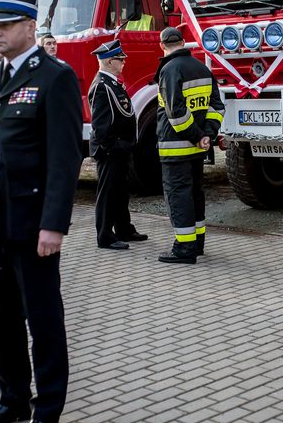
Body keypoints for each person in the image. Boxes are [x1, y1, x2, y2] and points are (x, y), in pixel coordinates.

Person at [0, 0, 83, 423]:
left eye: (4, 25)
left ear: (29, 27)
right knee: (0, 320)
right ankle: (13, 398)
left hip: (33, 224)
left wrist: (53, 224)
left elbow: (65, 157)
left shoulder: (55, 76)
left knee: (43, 322)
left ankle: (47, 412)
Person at [154, 26, 224, 264]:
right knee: (195, 194)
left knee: (178, 196)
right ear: (183, 43)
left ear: (162, 45)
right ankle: (197, 243)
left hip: (176, 148)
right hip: (197, 149)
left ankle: (184, 248)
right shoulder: (202, 68)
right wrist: (207, 135)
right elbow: (217, 106)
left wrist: (197, 136)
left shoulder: (169, 70)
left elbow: (175, 113)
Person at [88, 39, 146, 250]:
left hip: (120, 148)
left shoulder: (112, 83)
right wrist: (114, 147)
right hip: (111, 150)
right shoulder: (102, 86)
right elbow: (101, 125)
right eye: (120, 60)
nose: (123, 63)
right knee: (108, 193)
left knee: (121, 191)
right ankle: (105, 235)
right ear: (109, 61)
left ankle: (124, 228)